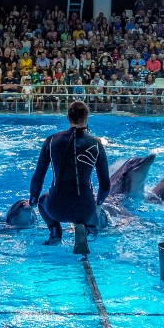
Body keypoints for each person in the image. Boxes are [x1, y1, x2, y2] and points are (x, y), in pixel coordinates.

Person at [27, 100, 111, 254]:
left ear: (67, 117)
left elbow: (38, 177)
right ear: (86, 118)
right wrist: (98, 206)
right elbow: (105, 186)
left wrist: (32, 201)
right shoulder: (96, 144)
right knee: (92, 213)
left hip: (56, 209)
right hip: (86, 210)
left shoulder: (51, 141)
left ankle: (55, 232)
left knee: (42, 201)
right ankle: (87, 229)